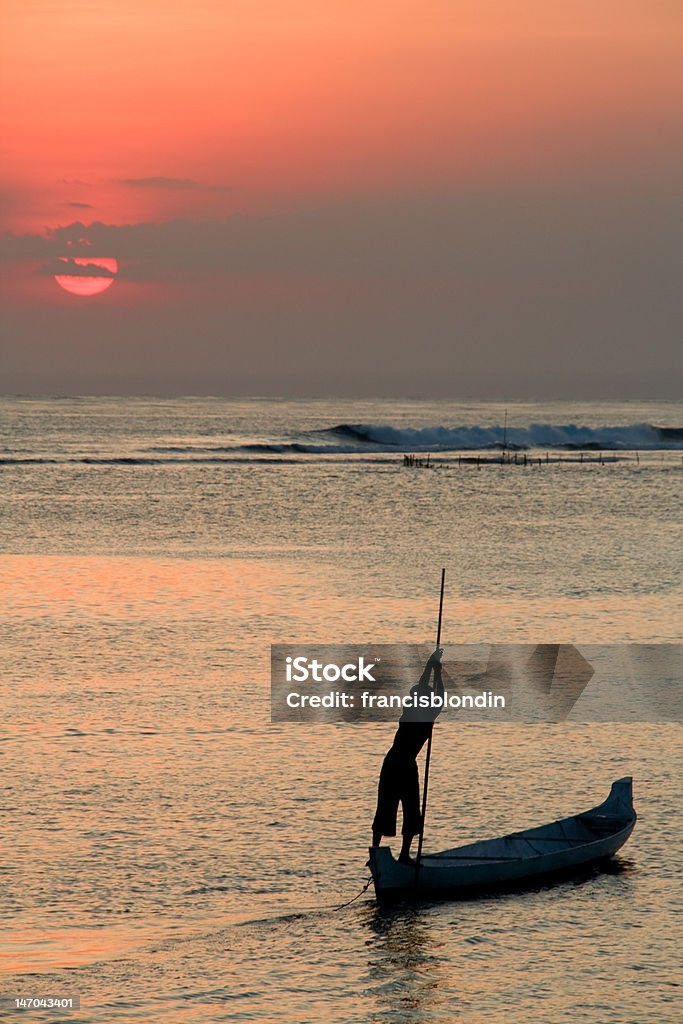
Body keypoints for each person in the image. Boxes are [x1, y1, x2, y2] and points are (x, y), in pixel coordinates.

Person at [371, 648, 445, 865]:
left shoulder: (411, 709)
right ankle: (392, 854)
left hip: (394, 763)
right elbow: (439, 693)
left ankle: (394, 854)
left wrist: (431, 666)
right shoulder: (429, 713)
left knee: (403, 809)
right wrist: (436, 670)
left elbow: (424, 687)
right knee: (395, 809)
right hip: (401, 766)